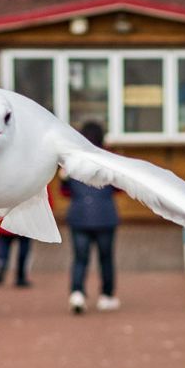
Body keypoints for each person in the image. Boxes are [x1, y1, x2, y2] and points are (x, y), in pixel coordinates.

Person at [61, 121, 119, 314]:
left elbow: (65, 192)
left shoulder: (73, 161)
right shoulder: (109, 159)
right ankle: (106, 296)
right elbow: (119, 188)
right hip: (105, 216)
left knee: (80, 258)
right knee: (106, 259)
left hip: (79, 217)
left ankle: (77, 293)